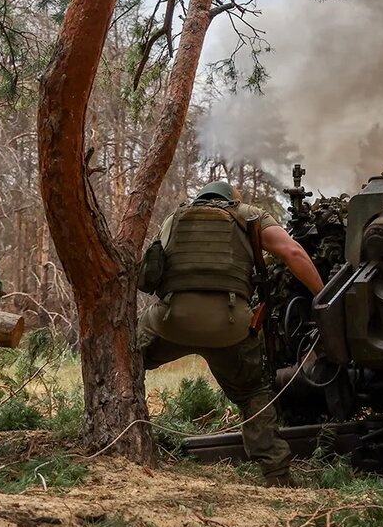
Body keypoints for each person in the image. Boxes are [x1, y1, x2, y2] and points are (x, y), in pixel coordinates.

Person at [137, 180, 324, 487]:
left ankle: (128, 438)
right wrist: (321, 294)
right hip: (229, 324)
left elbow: (151, 270)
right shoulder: (249, 215)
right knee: (252, 393)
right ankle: (276, 474)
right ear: (232, 200)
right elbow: (292, 252)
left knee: (128, 358)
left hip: (171, 320)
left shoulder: (174, 218)